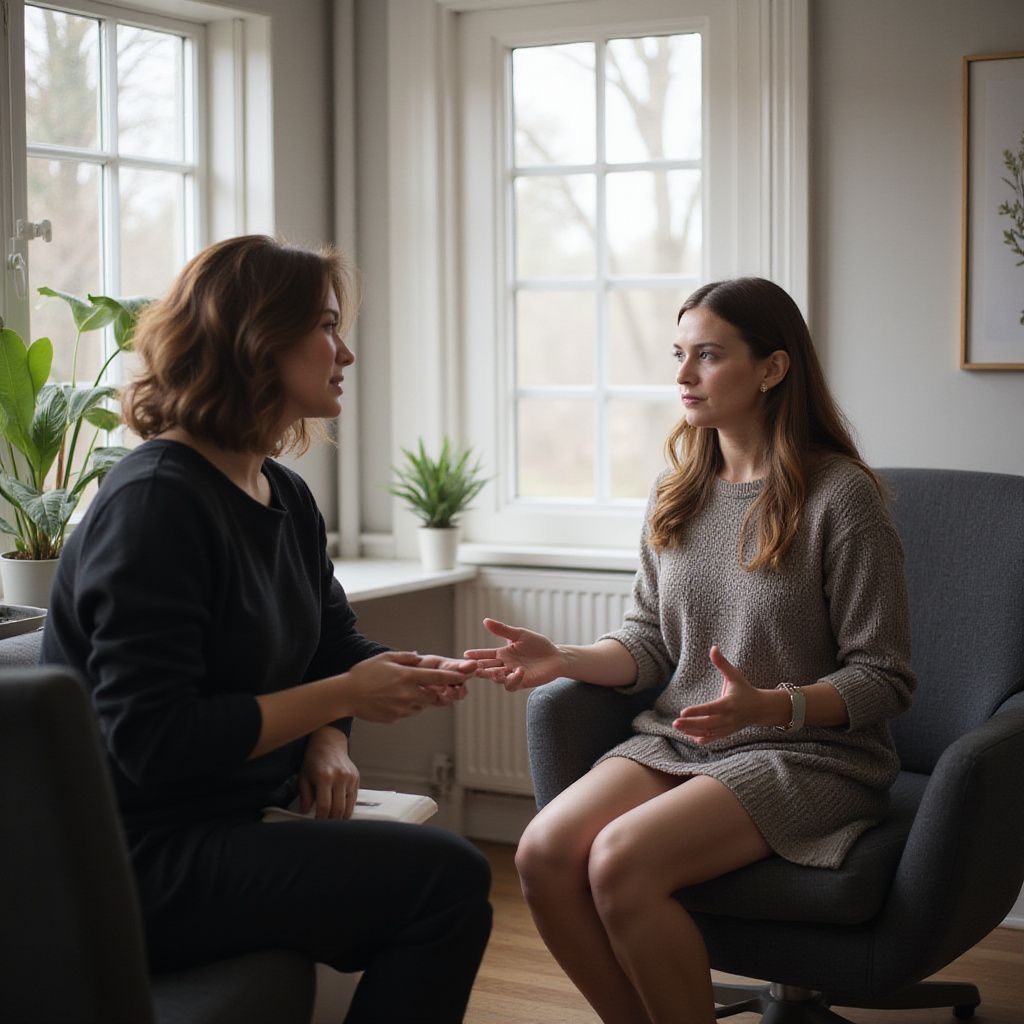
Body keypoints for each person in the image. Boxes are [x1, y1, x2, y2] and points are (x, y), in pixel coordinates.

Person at [42, 234, 491, 1023]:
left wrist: (338, 728)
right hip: (139, 860)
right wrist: (339, 696)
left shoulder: (279, 489)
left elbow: (333, 645)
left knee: (442, 882)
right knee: (446, 880)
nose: (344, 351)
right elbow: (151, 741)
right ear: (256, 339)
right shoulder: (156, 504)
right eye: (324, 326)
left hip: (228, 821)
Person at [466, 277, 916, 1024]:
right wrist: (568, 659)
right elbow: (648, 640)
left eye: (706, 356)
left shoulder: (843, 498)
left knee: (620, 862)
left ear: (773, 369)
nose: (681, 376)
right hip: (683, 741)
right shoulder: (677, 491)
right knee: (542, 853)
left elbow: (886, 677)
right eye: (678, 354)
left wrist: (774, 707)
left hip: (809, 755)